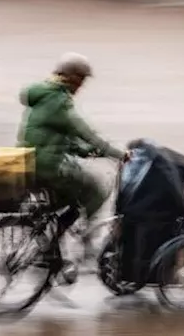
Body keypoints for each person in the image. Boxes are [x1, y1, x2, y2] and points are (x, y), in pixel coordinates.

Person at [18, 53, 127, 263]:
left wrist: (86, 151)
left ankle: (48, 247)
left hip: (33, 161)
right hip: (48, 166)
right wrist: (118, 154)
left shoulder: (45, 95)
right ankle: (84, 242)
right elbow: (85, 132)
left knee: (67, 203)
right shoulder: (58, 101)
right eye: (81, 79)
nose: (82, 86)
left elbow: (58, 136)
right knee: (96, 189)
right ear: (71, 77)